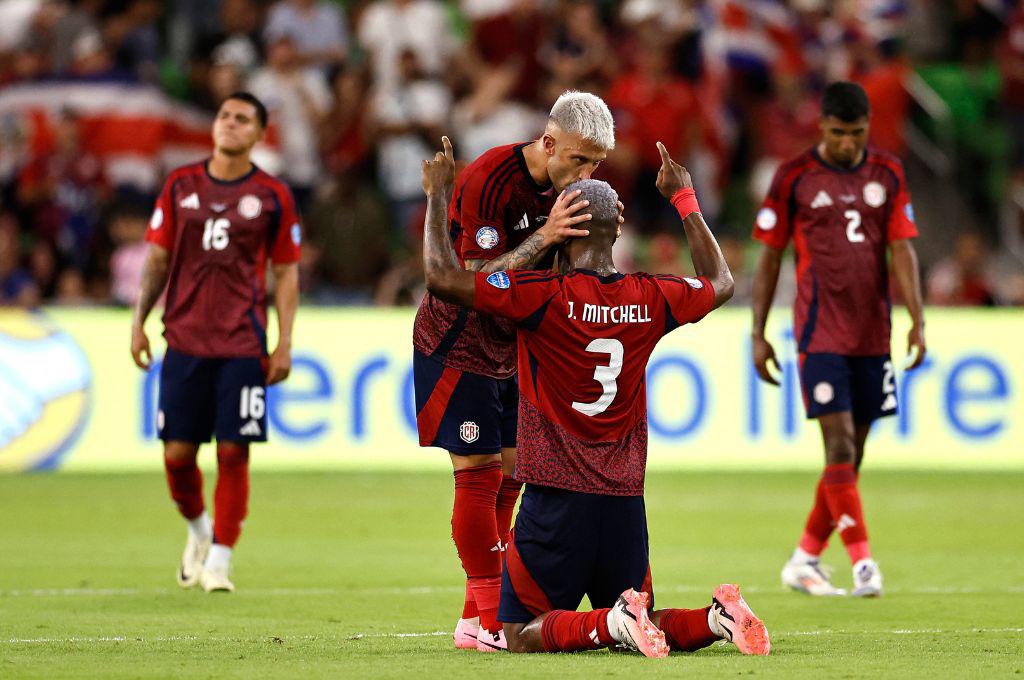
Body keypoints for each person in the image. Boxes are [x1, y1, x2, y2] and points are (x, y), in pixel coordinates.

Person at [420, 135, 770, 658]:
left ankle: (610, 625)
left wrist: (437, 195)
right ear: (618, 230)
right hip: (625, 500)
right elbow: (720, 282)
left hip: (556, 500)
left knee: (518, 633)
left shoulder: (540, 298)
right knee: (644, 616)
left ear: (563, 230)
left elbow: (443, 279)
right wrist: (684, 200)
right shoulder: (651, 296)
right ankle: (716, 619)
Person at [412, 91, 622, 652]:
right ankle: (490, 618)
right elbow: (476, 278)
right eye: (579, 159)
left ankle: (472, 619)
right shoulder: (491, 178)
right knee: (478, 474)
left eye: (596, 163)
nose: (587, 173)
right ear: (549, 142)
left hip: (514, 349)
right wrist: (547, 235)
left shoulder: (570, 190)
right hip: (459, 343)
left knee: (511, 477)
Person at [750, 81, 926, 598]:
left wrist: (917, 319)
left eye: (857, 133)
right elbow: (769, 256)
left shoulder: (887, 173)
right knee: (842, 445)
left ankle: (804, 558)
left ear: (867, 128)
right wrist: (758, 333)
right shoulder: (794, 177)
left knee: (850, 459)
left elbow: (902, 248)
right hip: (818, 331)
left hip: (873, 333)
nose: (848, 143)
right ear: (822, 126)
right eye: (838, 133)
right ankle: (863, 564)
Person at [129, 92, 301, 593]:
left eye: (242, 119)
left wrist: (284, 341)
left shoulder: (272, 195)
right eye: (225, 115)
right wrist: (138, 322)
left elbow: (286, 272)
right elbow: (157, 259)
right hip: (183, 339)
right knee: (178, 456)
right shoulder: (180, 184)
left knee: (233, 451)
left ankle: (220, 561)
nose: (230, 123)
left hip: (243, 343)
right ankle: (200, 528)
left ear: (259, 133)